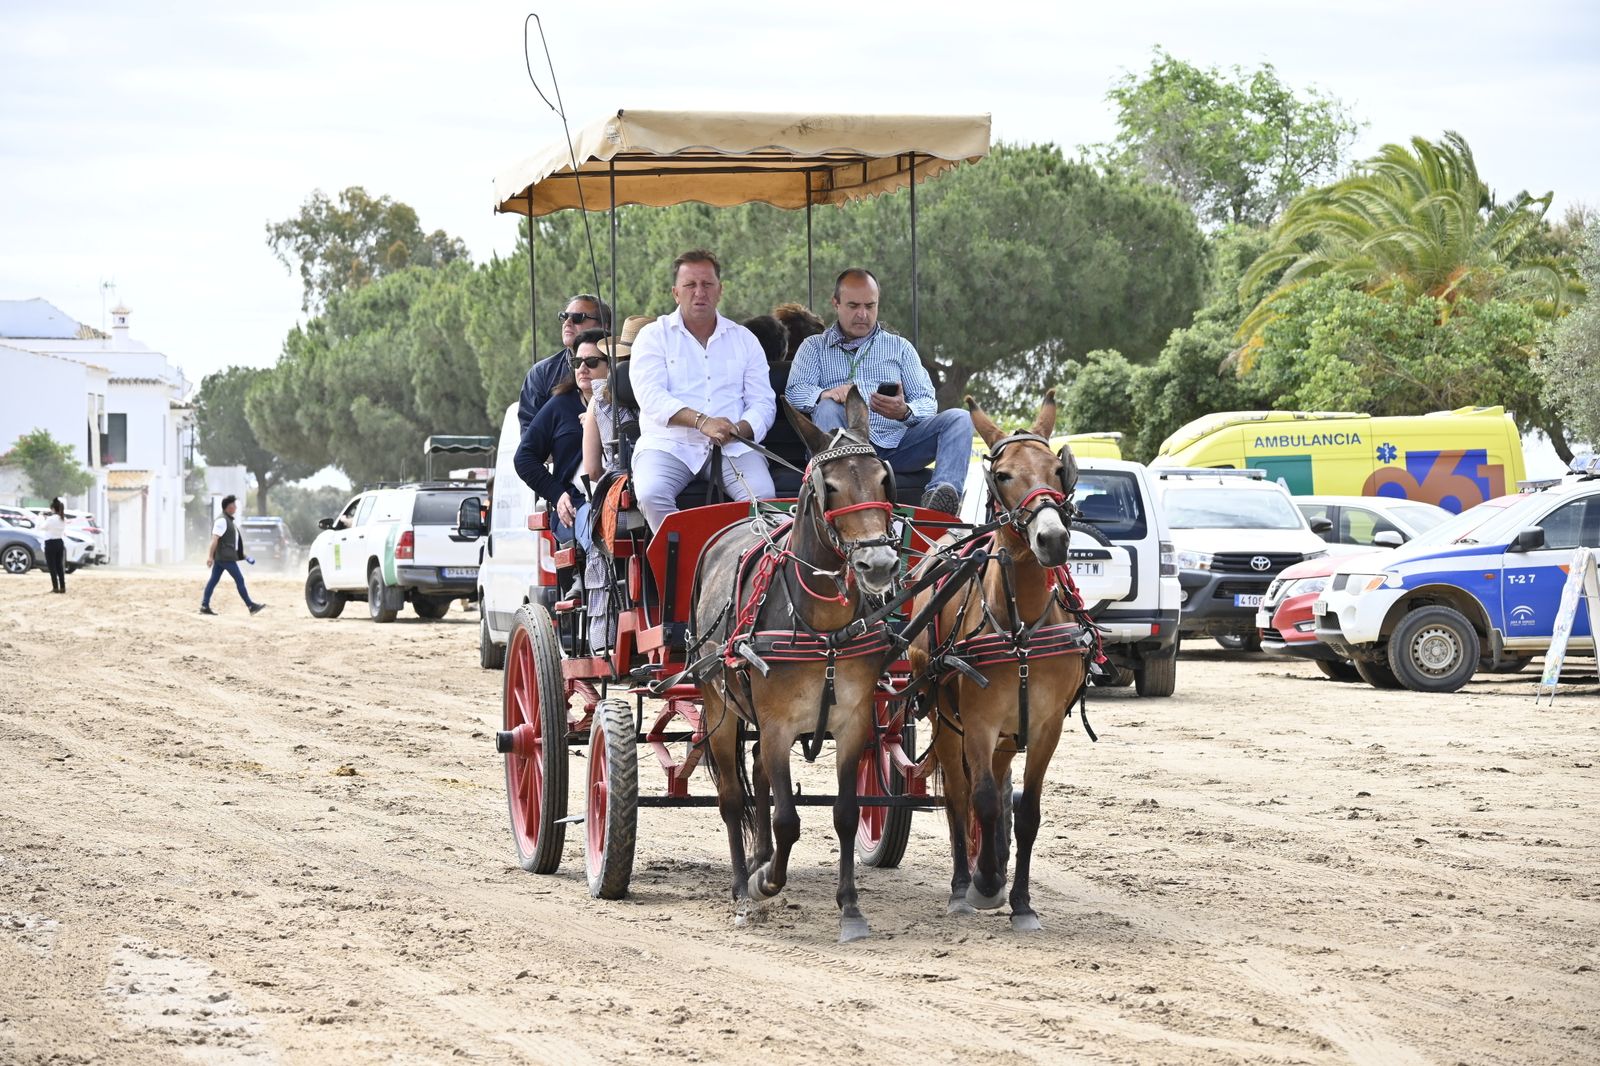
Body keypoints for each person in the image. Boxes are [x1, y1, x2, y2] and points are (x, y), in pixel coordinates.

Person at [785, 267, 973, 515]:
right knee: (828, 407)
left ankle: (940, 502)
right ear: (836, 304)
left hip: (895, 446)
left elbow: (928, 402)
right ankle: (842, 498)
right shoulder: (814, 347)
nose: (862, 314)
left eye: (870, 306)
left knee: (960, 418)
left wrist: (905, 411)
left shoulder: (900, 348)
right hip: (844, 454)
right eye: (853, 306)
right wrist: (825, 393)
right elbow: (794, 392)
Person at [629, 250, 776, 531]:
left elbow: (764, 403)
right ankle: (681, 568)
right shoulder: (653, 335)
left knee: (764, 501)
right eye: (690, 285)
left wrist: (739, 429)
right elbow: (651, 397)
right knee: (650, 494)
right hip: (669, 445)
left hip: (732, 446)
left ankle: (743, 569)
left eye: (707, 285)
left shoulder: (744, 340)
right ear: (675, 293)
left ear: (719, 290)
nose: (700, 293)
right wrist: (702, 422)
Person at [513, 327, 612, 544]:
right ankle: (603, 578)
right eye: (577, 363)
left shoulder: (629, 403)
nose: (583, 369)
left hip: (624, 497)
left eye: (592, 362)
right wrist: (556, 494)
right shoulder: (559, 405)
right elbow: (524, 458)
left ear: (610, 366)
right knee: (600, 536)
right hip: (578, 505)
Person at [518, 293, 613, 433]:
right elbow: (530, 437)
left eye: (577, 318)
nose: (567, 323)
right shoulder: (541, 373)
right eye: (564, 317)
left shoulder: (623, 369)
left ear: (603, 326)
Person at [201, 495, 265, 616]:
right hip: (225, 558)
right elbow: (214, 539)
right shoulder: (222, 521)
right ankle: (251, 606)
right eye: (234, 506)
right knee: (239, 579)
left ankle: (204, 605)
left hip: (224, 557)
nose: (235, 508)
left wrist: (245, 556)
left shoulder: (228, 521)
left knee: (213, 580)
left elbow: (232, 544)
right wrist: (210, 557)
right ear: (228, 507)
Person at [41, 497, 67, 594]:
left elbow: (42, 527)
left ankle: (55, 587)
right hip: (59, 542)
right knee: (59, 566)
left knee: (52, 567)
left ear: (53, 509)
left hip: (50, 543)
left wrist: (44, 519)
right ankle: (63, 587)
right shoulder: (63, 518)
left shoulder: (51, 519)